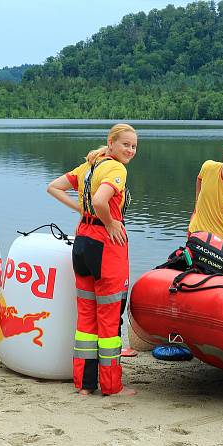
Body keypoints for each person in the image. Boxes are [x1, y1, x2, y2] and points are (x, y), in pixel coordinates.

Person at [47, 123, 138, 397]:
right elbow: (101, 200)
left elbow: (53, 187)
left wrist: (80, 209)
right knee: (109, 319)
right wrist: (109, 222)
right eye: (126, 145)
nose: (131, 150)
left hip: (82, 241)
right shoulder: (116, 169)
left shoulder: (88, 166)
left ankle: (85, 385)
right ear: (111, 144)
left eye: (134, 146)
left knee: (86, 317)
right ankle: (111, 387)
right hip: (105, 244)